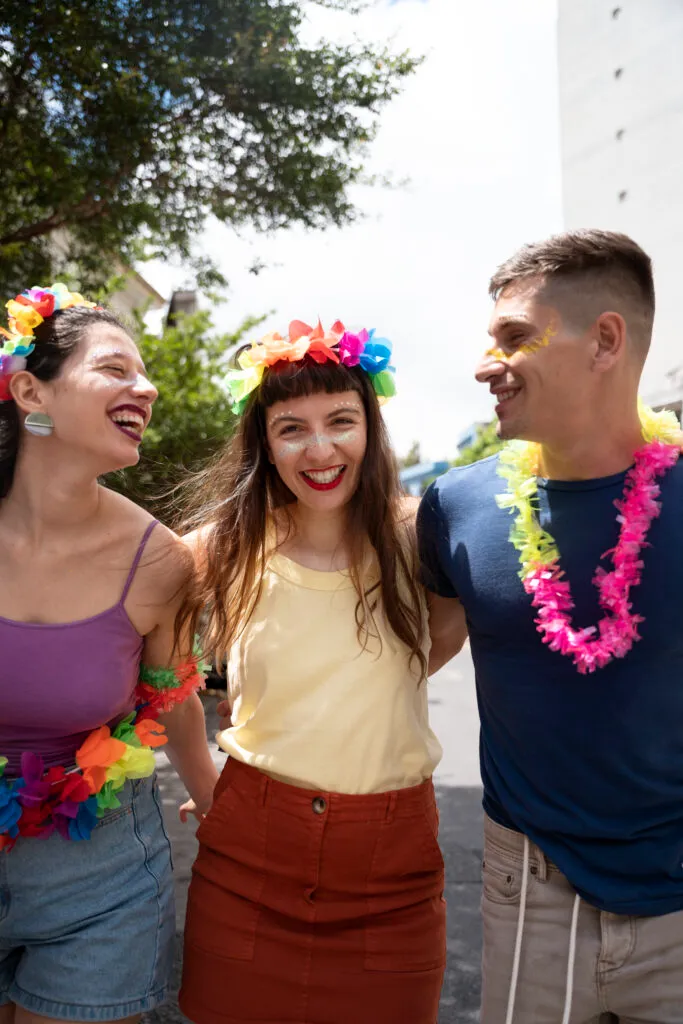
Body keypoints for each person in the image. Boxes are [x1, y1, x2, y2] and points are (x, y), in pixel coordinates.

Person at [418, 229, 683, 1023]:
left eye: (511, 336)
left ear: (605, 340)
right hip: (527, 889)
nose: (481, 364)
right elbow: (413, 652)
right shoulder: (454, 506)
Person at [177, 319, 446, 1024]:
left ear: (371, 426)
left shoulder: (423, 538)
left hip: (393, 876)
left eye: (340, 421)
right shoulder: (221, 548)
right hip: (247, 864)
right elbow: (158, 662)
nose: (319, 449)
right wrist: (210, 788)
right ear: (264, 443)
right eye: (290, 427)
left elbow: (438, 644)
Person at [0, 284, 219, 1024]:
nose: (146, 387)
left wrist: (219, 806)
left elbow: (174, 697)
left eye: (144, 372)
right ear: (32, 390)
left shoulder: (159, 562)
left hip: (99, 873)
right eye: (117, 368)